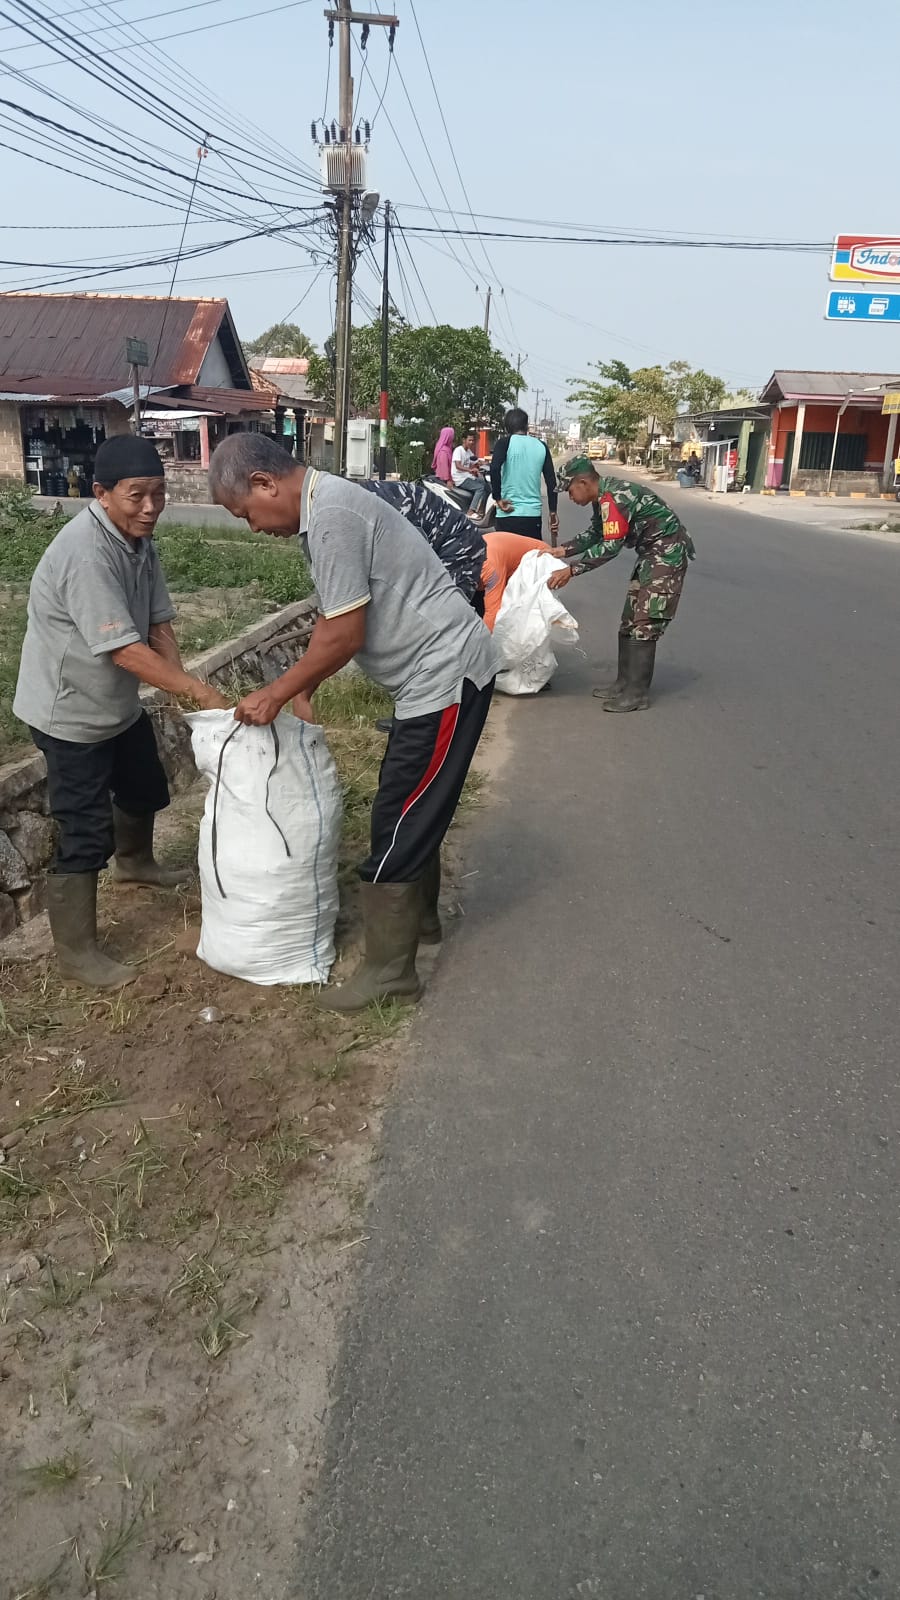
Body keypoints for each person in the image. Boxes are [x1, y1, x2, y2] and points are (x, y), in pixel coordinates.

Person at [207, 434, 499, 1015]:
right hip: (433, 680)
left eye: (246, 514)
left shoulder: (333, 515)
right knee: (414, 809)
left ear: (266, 483)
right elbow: (336, 612)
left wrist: (275, 692)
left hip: (444, 680)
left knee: (399, 817)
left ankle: (392, 973)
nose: (253, 528)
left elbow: (344, 635)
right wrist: (307, 683)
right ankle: (422, 928)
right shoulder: (324, 510)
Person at [13, 435, 229, 990]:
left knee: (144, 788)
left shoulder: (139, 542)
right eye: (137, 496)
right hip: (70, 713)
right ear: (101, 493)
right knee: (84, 829)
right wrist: (200, 693)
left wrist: (184, 688)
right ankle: (76, 952)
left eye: (159, 494)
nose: (151, 507)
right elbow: (124, 650)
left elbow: (157, 627)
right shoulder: (86, 552)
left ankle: (137, 865)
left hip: (116, 705)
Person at [552, 456, 695, 712]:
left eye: (570, 489)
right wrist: (563, 550)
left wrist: (572, 570)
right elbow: (597, 533)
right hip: (651, 555)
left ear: (583, 482)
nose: (570, 497)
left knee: (646, 622)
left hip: (667, 553)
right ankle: (623, 683)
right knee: (629, 620)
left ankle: (637, 694)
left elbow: (610, 546)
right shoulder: (603, 499)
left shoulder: (615, 497)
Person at [480, 529, 571, 632]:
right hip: (510, 561)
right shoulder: (466, 560)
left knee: (527, 615)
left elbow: (493, 611)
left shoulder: (489, 569)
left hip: (539, 559)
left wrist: (482, 643)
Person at [490, 408, 559, 539]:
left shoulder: (504, 443)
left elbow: (494, 468)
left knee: (507, 558)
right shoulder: (541, 446)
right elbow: (551, 482)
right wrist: (553, 512)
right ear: (526, 426)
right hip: (532, 517)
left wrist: (498, 498)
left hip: (507, 513)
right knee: (530, 557)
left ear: (507, 427)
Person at [451, 430, 488, 516]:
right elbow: (458, 466)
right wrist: (470, 470)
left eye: (473, 440)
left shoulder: (468, 451)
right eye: (469, 440)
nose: (472, 442)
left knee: (485, 485)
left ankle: (481, 510)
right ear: (464, 440)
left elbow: (476, 461)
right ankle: (471, 511)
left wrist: (487, 463)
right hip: (460, 478)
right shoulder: (458, 450)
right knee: (480, 488)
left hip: (467, 476)